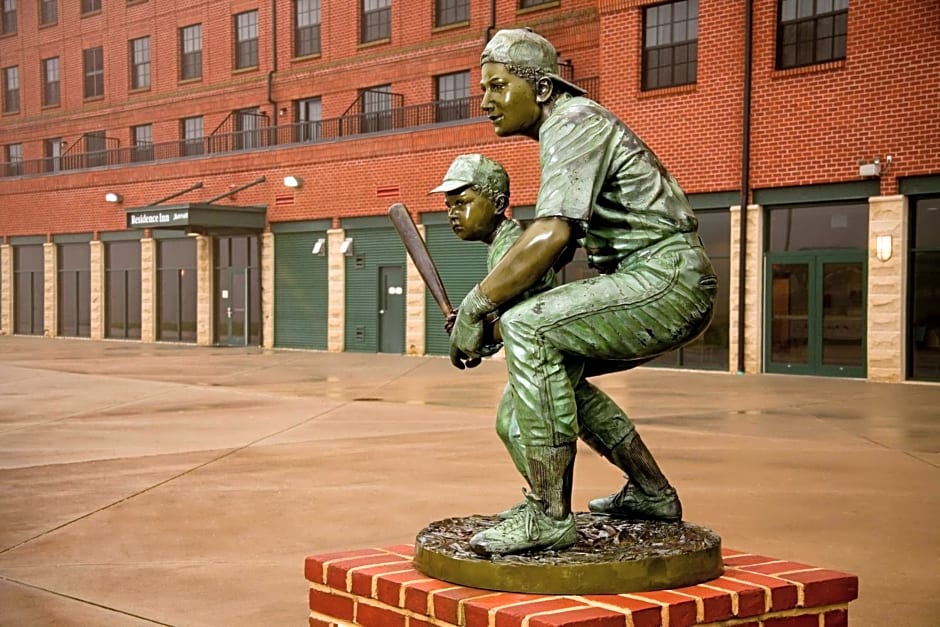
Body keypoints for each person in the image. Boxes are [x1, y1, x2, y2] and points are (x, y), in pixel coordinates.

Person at [448, 28, 719, 556]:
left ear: (543, 89)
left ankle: (548, 515)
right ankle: (651, 491)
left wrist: (479, 305)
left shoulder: (573, 121)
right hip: (648, 276)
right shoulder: (567, 131)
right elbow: (549, 255)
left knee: (531, 328)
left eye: (498, 87)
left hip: (666, 277)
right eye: (483, 89)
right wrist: (485, 318)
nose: (485, 102)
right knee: (542, 389)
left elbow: (552, 235)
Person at [430, 153, 556, 505]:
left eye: (463, 202)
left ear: (499, 203)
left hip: (547, 352)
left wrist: (477, 334)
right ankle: (653, 491)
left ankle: (549, 510)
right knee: (593, 419)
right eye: (448, 205)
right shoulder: (502, 244)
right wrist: (474, 328)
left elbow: (521, 316)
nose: (453, 213)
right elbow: (504, 313)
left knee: (514, 428)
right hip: (535, 353)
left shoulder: (513, 246)